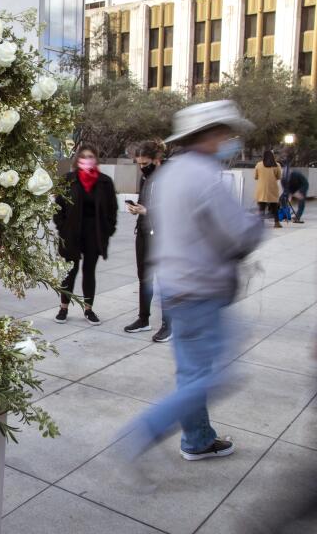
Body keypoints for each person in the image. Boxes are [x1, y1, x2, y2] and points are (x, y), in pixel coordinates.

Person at [121, 100, 263, 467]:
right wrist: (255, 223)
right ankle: (147, 428)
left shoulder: (171, 173)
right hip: (202, 289)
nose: (230, 140)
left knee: (193, 372)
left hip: (175, 286)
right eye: (225, 133)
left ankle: (198, 439)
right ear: (211, 135)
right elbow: (238, 234)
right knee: (217, 376)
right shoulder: (205, 176)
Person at [53, 144, 118, 325]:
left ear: (96, 159)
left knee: (89, 272)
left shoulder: (105, 182)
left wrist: (108, 230)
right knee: (69, 272)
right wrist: (62, 227)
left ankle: (88, 309)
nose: (87, 159)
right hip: (72, 232)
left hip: (94, 233)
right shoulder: (68, 180)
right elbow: (58, 208)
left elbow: (113, 209)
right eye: (83, 156)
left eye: (91, 156)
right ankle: (63, 307)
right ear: (77, 160)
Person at [124, 141, 171, 341]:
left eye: (145, 163)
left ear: (156, 159)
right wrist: (138, 208)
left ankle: (169, 325)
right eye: (139, 163)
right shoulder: (146, 177)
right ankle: (144, 319)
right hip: (144, 231)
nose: (142, 167)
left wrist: (147, 210)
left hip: (163, 234)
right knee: (144, 277)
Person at [255, 149, 282, 229]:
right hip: (272, 187)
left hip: (261, 188)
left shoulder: (258, 165)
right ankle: (276, 223)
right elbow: (279, 176)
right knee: (274, 206)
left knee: (261, 207)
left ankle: (261, 224)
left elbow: (255, 176)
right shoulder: (277, 165)